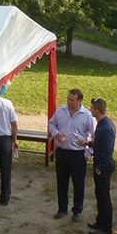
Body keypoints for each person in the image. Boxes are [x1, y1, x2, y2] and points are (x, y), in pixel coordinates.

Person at [48, 88, 95, 222]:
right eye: (68, 99)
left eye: (72, 100)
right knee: (61, 182)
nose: (69, 102)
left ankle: (77, 210)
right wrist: (57, 134)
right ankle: (62, 208)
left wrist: (88, 152)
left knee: (78, 184)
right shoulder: (61, 111)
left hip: (78, 155)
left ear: (79, 101)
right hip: (62, 152)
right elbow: (51, 124)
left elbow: (94, 135)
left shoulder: (86, 115)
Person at [88, 98, 116, 234]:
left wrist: (100, 168)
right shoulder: (104, 123)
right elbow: (99, 145)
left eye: (92, 108)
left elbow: (106, 151)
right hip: (102, 164)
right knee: (99, 194)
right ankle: (100, 221)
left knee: (104, 197)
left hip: (103, 166)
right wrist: (88, 144)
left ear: (97, 110)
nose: (90, 110)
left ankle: (106, 227)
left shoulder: (104, 128)